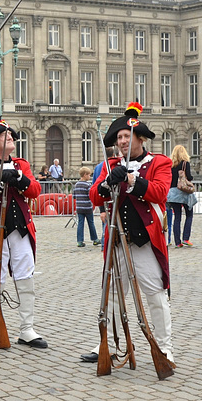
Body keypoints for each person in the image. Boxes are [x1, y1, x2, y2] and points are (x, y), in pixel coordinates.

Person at [81, 102, 175, 365]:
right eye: (119, 137)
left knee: (155, 295)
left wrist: (133, 180)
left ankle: (165, 347)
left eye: (126, 136)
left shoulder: (159, 162)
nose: (122, 141)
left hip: (144, 241)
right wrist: (109, 182)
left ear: (139, 137)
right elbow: (93, 195)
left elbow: (159, 192)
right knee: (111, 297)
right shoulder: (109, 166)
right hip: (117, 243)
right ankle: (108, 345)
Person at [0, 103, 47, 349]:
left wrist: (20, 179)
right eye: (5, 135)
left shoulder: (22, 164)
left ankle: (27, 328)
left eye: (11, 135)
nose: (11, 137)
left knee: (26, 276)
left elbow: (34, 190)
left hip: (21, 228)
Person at [167, 145, 196, 248]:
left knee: (177, 217)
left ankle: (177, 242)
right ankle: (186, 238)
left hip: (173, 193)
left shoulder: (171, 165)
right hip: (183, 192)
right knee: (189, 215)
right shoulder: (185, 163)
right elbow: (189, 176)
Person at [92, 146, 115, 248]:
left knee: (105, 224)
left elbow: (94, 186)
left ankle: (104, 244)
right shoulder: (114, 165)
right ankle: (106, 245)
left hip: (102, 201)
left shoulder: (98, 167)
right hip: (112, 200)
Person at [73, 167, 98, 247]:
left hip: (79, 207)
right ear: (85, 175)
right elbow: (90, 196)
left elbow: (74, 196)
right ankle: (95, 239)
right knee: (91, 223)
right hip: (87, 207)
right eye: (89, 175)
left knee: (80, 223)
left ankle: (79, 241)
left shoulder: (76, 184)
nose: (90, 177)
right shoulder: (88, 185)